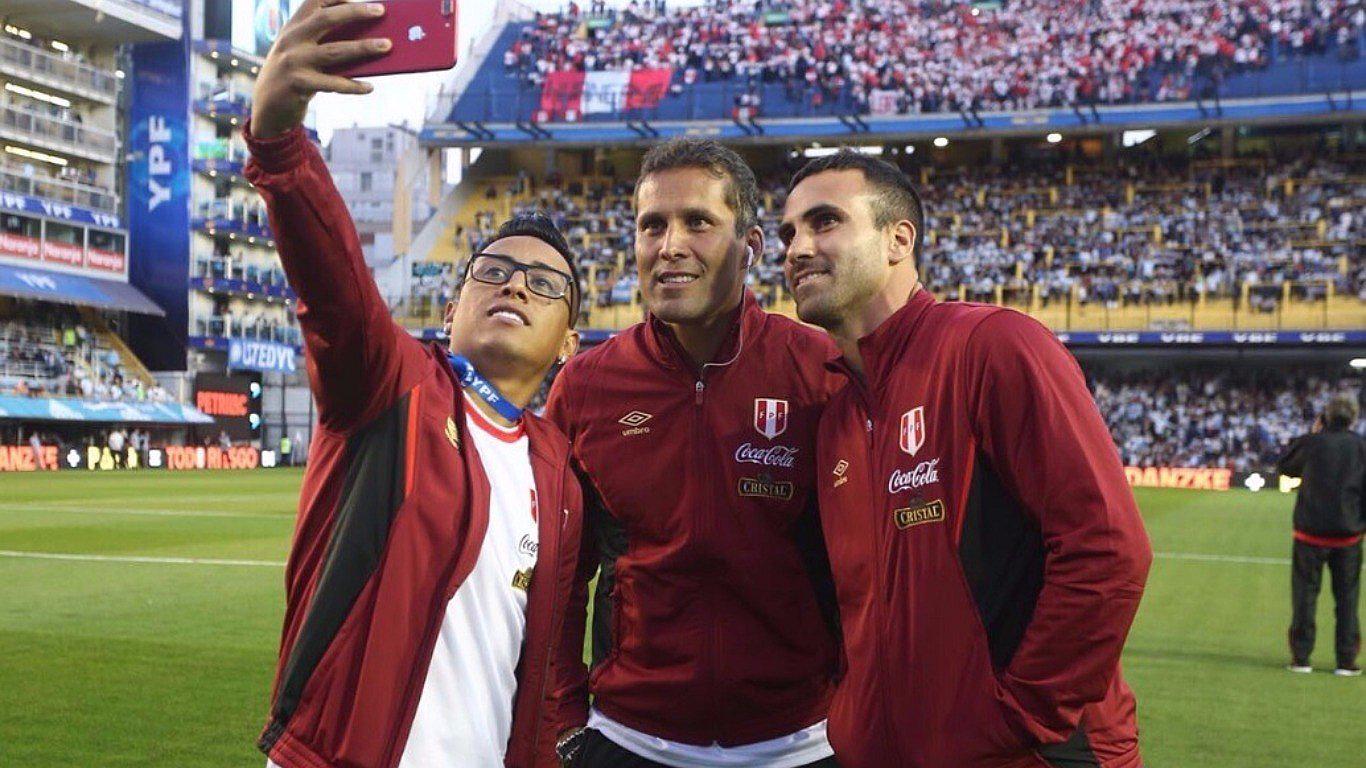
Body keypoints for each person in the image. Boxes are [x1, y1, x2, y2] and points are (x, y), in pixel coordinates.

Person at [246, 2, 586, 766]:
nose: (514, 287)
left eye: (542, 282)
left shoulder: (558, 471)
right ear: (453, 304)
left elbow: (541, 672)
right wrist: (280, 145)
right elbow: (333, 290)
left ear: (568, 341)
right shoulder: (391, 383)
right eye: (492, 272)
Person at [778, 150, 1152, 768]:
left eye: (825, 222)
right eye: (789, 232)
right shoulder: (837, 414)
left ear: (899, 239)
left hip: (1025, 752)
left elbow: (1109, 548)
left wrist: (1022, 715)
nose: (796, 248)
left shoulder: (994, 348)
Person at [545, 138, 843, 767]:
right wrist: (565, 716)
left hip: (799, 742)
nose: (669, 245)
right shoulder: (588, 384)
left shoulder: (821, 372)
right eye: (652, 225)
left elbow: (867, 569)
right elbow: (561, 578)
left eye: (698, 222)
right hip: (629, 737)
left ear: (753, 247)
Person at [1277, 394, 1365, 676]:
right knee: (1347, 599)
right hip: (1348, 535)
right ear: (1353, 418)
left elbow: (1286, 466)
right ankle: (1345, 661)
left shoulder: (1312, 443)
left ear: (1324, 417)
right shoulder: (1361, 446)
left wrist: (1312, 434)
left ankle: (1301, 658)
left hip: (1309, 534)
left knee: (1304, 596)